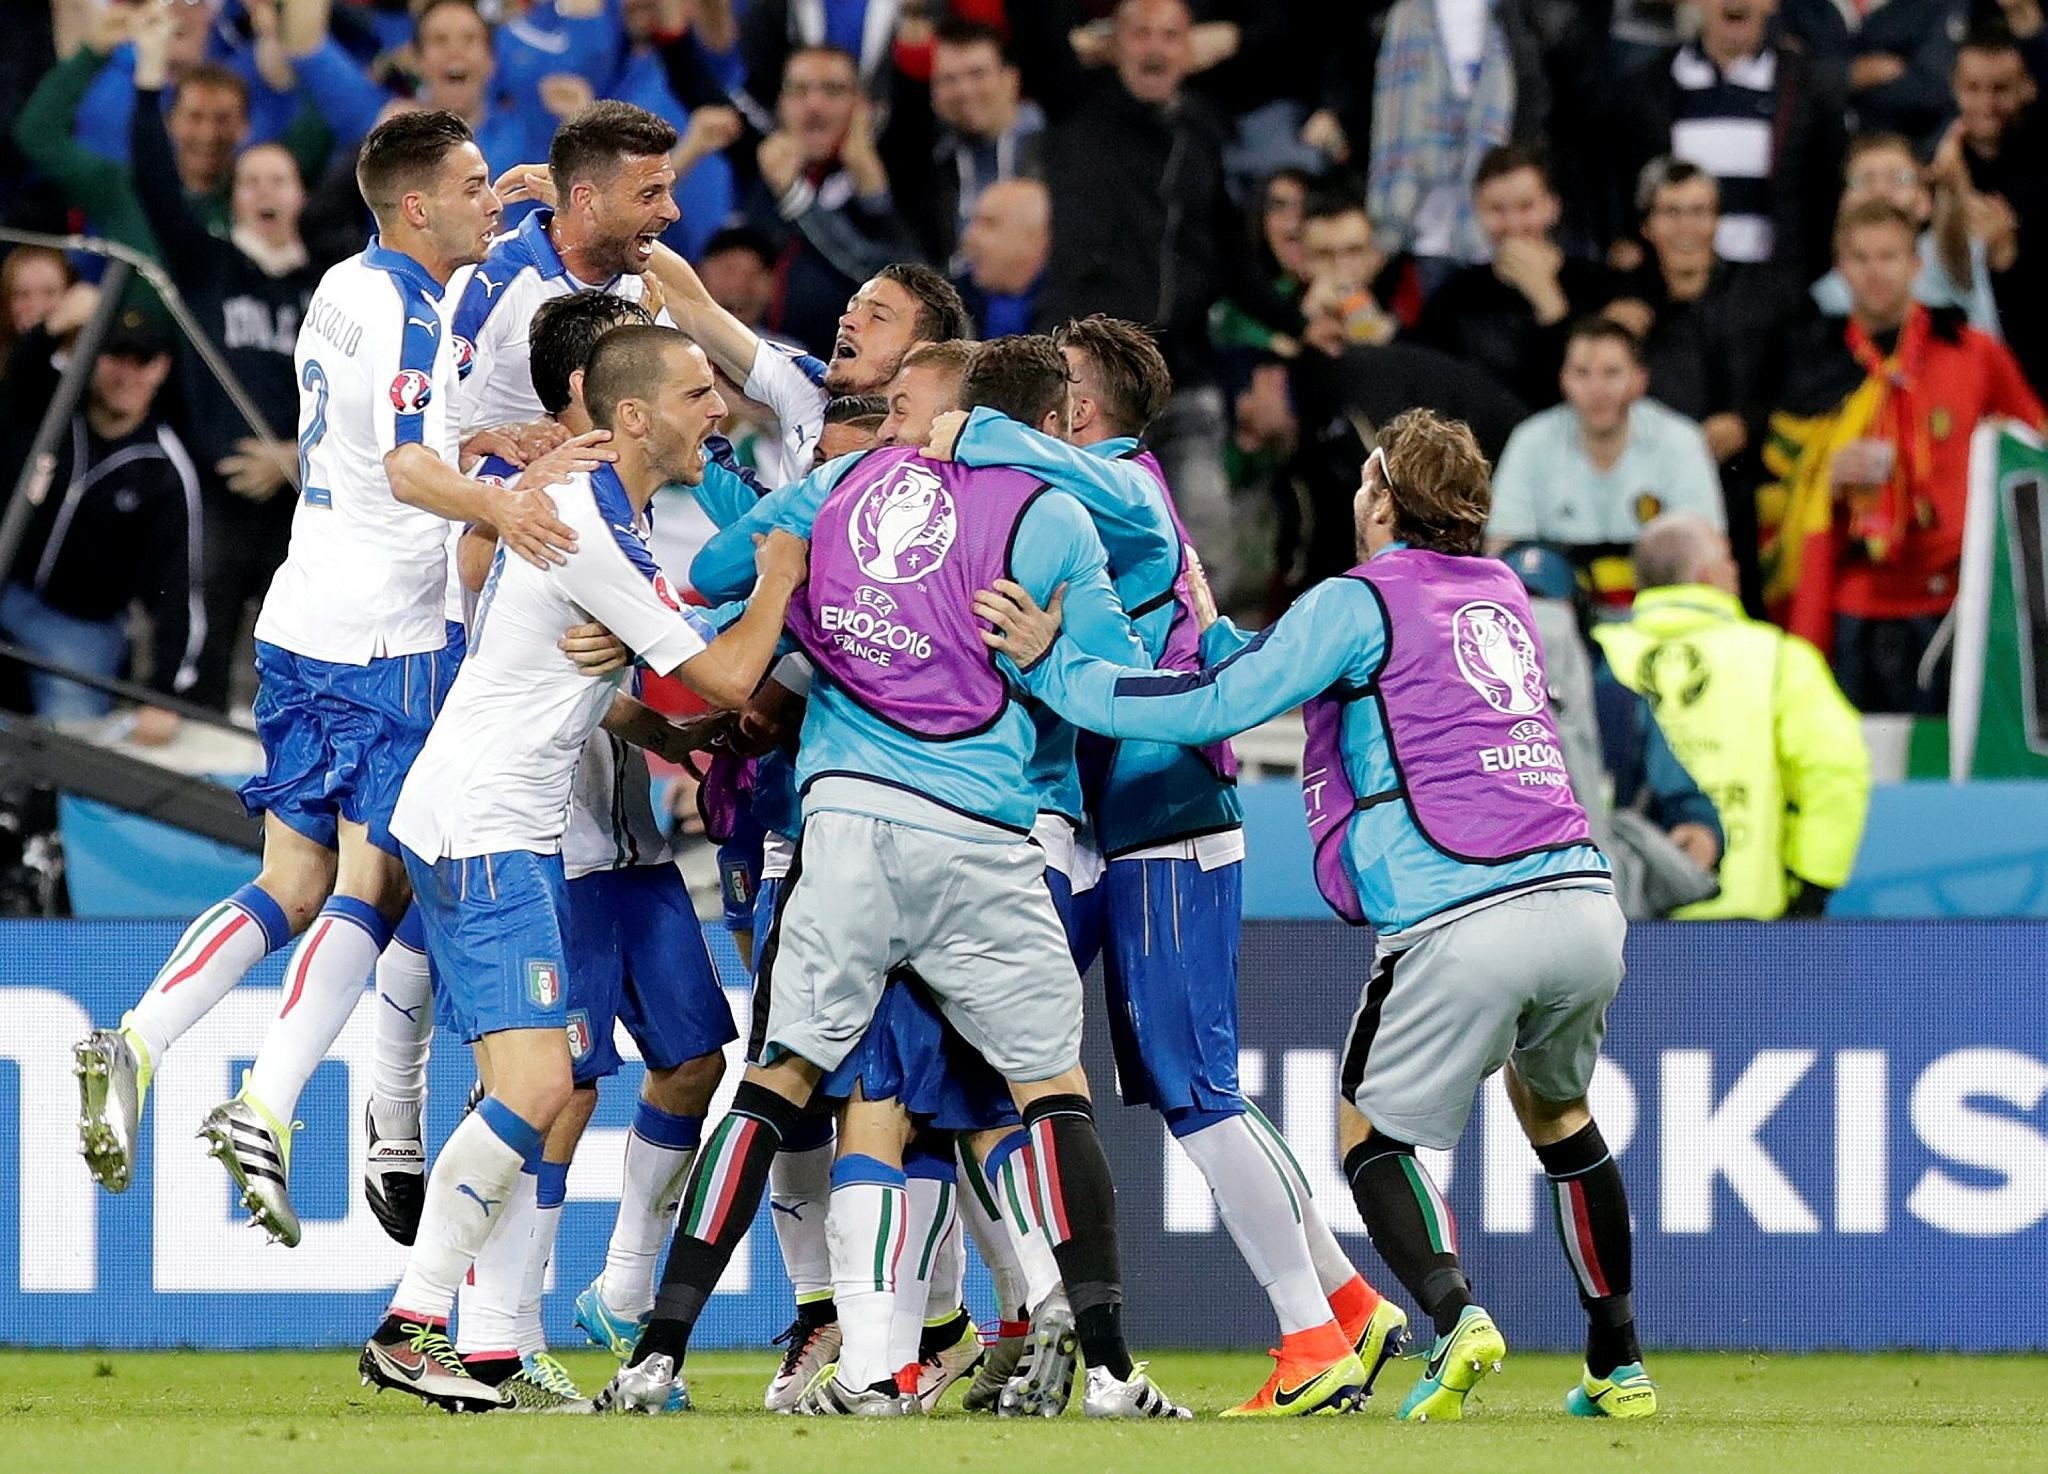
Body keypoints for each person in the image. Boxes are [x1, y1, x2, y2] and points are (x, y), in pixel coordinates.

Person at [977, 407, 1657, 1425]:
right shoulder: (1500, 590)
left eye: (1361, 479)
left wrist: (1053, 667)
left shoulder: (1353, 598)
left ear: (1379, 496)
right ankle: (1618, 1362)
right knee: (1557, 1115)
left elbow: (1216, 705)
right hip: (1582, 899)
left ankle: (1451, 1314)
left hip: (1461, 905)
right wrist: (1214, 631)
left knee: (1370, 1138)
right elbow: (1352, 669)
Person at [600, 336, 1192, 1422]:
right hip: (982, 834)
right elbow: (1126, 634)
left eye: (904, 401)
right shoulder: (1047, 515)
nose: (886, 414)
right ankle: (1106, 1368)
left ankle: (657, 1354)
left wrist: (805, 569)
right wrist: (1053, 642)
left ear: (948, 409)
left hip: (844, 827)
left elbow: (713, 571)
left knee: (779, 1083)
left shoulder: (843, 482)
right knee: (1047, 1091)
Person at [68, 111, 590, 1241]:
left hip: (301, 617)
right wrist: (496, 501)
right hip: (386, 639)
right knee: (375, 884)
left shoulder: (347, 287)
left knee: (290, 884)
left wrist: (486, 432)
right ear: (416, 206)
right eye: (468, 187)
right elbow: (403, 463)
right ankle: (265, 1101)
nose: (486, 201)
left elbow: (388, 430)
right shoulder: (405, 311)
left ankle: (138, 1041)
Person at [933, 318, 1408, 1417]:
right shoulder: (1097, 491)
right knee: (1022, 1072)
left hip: (1165, 806)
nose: (1046, 404)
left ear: (1081, 412)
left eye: (1060, 388)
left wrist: (963, 424)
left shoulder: (1120, 485)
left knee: (1194, 1090)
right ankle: (1342, 1308)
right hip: (1119, 818)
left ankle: (1309, 1333)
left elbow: (1031, 470)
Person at [362, 322, 807, 1411]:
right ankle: (424, 1320)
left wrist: (648, 731)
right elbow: (733, 677)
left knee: (542, 1082)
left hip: (480, 819)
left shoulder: (593, 507)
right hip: (492, 829)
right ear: (634, 416)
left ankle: (430, 1324)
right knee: (533, 1086)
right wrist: (781, 571)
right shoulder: (593, 528)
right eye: (701, 391)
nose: (721, 410)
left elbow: (534, 660)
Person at [1036, 0, 1304, 604]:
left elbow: (1232, 255)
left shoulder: (1204, 133)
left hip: (1183, 372)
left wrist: (1297, 323)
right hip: (1093, 376)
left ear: (1189, 48)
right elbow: (1037, 30)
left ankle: (1189, 677)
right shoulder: (1075, 108)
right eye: (1140, 35)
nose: (1154, 50)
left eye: (1169, 36)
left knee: (1208, 554)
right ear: (1114, 44)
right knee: (1081, 542)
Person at [1761, 199, 2045, 712]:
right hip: (1856, 602)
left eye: (1889, 257)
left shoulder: (1970, 350)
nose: (1875, 273)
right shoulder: (1813, 363)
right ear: (1840, 269)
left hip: (1956, 601)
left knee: (1948, 770)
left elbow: (2035, 446)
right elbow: (1778, 482)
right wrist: (1825, 473)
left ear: (1916, 266)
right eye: (1861, 258)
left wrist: (1999, 443)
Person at [127, 3, 320, 712]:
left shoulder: (330, 286)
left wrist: (293, 458)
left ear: (300, 194)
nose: (265, 191)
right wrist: (149, 79)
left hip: (301, 494)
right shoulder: (206, 261)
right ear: (234, 198)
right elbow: (153, 180)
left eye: (278, 179)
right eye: (251, 181)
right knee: (197, 638)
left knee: (302, 651)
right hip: (216, 491)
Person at [1595, 514, 1871, 919]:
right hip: (1744, 920)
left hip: (1620, 913)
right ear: (1709, 575)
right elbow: (1835, 773)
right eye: (1729, 559)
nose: (1737, 569)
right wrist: (1811, 884)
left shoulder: (1593, 656)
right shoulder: (1777, 658)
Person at [0, 301, 201, 724]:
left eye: (141, 361)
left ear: (161, 368)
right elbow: (19, 376)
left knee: (74, 752)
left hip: (82, 630)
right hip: (7, 589)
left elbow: (179, 587)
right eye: (114, 356)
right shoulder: (53, 410)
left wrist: (165, 694)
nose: (125, 374)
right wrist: (53, 323)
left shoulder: (165, 468)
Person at [450, 100, 680, 435]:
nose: (672, 211)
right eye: (649, 195)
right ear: (585, 200)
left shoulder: (642, 290)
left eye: (667, 191)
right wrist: (518, 447)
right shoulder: (489, 282)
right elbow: (434, 438)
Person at [1487, 318, 1725, 605]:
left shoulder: (1680, 440)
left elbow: (1709, 553)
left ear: (1639, 379)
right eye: (1582, 373)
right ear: (1563, 379)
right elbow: (1502, 552)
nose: (1596, 389)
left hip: (1660, 610)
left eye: (1611, 373)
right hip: (1560, 610)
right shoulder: (1530, 441)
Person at [1603, 0, 1845, 280]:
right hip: (1674, 288)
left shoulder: (1809, 87)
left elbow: (1828, 189)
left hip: (1775, 289)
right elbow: (1622, 183)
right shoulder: (1648, 89)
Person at [741, 44, 924, 358]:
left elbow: (902, 281)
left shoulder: (906, 173)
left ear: (862, 107)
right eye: (799, 91)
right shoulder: (757, 175)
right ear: (781, 105)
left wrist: (797, 196)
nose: (814, 105)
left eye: (833, 91)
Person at [1362, 0, 1551, 279]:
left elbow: (1541, 95)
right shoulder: (1402, 15)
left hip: (1494, 234)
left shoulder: (1517, 12)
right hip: (1414, 231)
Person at [1416, 146, 1615, 412]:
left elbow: (1602, 373)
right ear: (1478, 211)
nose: (1513, 223)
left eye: (1525, 207)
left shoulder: (1599, 284)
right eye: (1497, 209)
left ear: (1552, 207)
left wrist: (1549, 300)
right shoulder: (1455, 295)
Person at [919, 18, 1047, 269]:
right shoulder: (929, 168)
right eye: (948, 79)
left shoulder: (1063, 153)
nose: (964, 91)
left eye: (977, 74)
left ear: (1011, 79)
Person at [955, 178, 1048, 339]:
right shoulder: (950, 304)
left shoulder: (1077, 316)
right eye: (974, 222)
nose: (970, 237)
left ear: (1035, 239)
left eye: (989, 224)